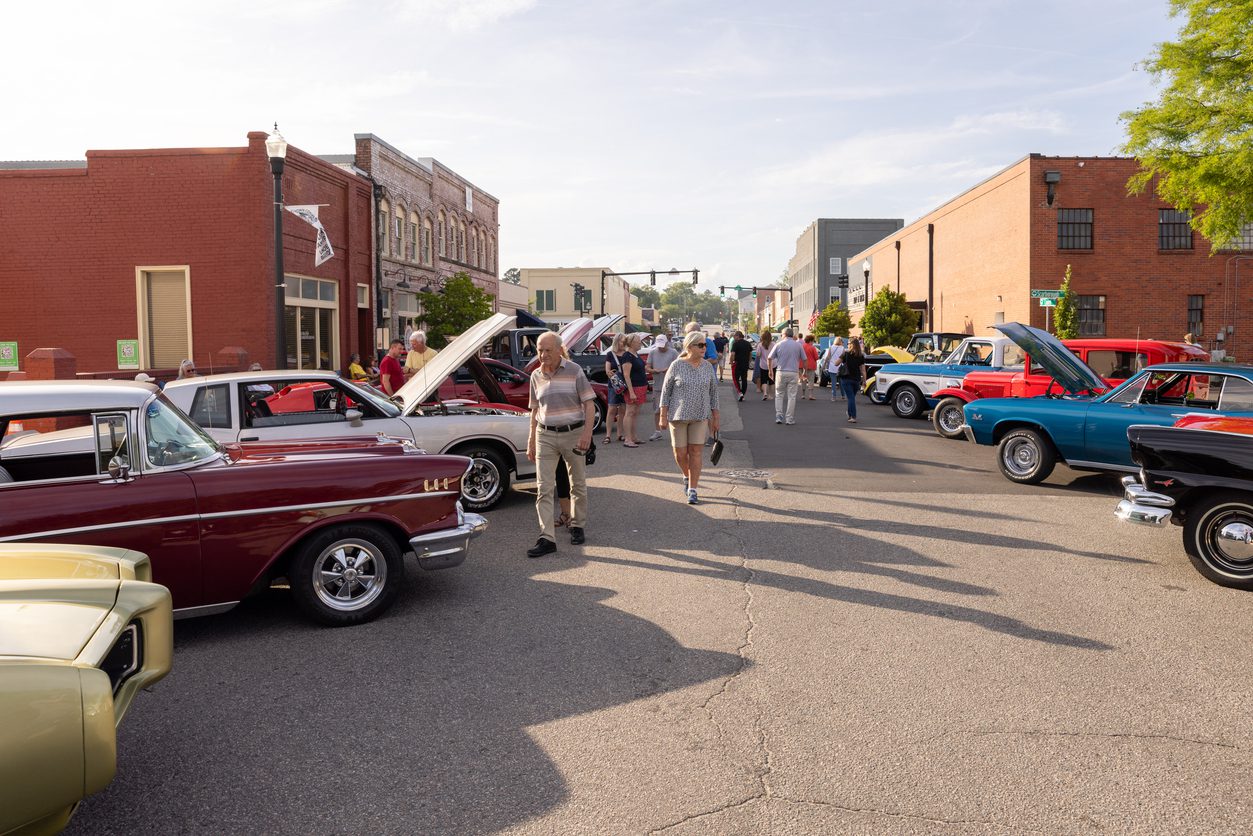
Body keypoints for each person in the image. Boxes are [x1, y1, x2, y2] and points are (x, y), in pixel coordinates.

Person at [527, 331, 596, 557]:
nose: (543, 354)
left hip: (573, 434)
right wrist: (531, 439)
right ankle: (547, 538)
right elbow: (535, 410)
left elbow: (589, 404)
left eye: (547, 350)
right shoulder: (535, 376)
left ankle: (577, 525)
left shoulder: (574, 371)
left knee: (578, 483)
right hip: (545, 434)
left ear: (559, 350)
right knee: (543, 488)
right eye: (539, 349)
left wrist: (587, 433)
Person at [659, 332, 720, 505]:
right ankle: (686, 475)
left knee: (696, 452)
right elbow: (665, 392)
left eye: (704, 345)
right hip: (678, 416)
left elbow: (714, 394)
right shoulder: (676, 365)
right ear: (689, 347)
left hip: (700, 416)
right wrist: (663, 416)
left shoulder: (707, 367)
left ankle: (693, 489)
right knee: (680, 454)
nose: (704, 348)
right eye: (700, 345)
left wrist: (715, 417)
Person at [768, 328, 805, 425]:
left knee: (779, 394)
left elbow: (769, 358)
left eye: (781, 334)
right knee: (792, 396)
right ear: (792, 335)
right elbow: (804, 359)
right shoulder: (798, 345)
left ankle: (779, 416)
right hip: (794, 372)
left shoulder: (779, 344)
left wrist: (770, 370)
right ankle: (789, 418)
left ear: (784, 334)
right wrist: (803, 371)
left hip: (781, 371)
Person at [646, 334, 679, 441]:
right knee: (657, 410)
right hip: (657, 385)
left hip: (672, 386)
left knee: (675, 409)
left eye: (662, 345)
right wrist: (653, 370)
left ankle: (677, 432)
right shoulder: (652, 352)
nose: (661, 347)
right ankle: (657, 431)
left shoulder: (673, 352)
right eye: (659, 345)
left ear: (666, 343)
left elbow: (679, 366)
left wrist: (669, 369)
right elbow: (647, 366)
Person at [620, 333, 648, 447]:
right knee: (630, 412)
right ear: (631, 343)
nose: (640, 343)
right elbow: (626, 375)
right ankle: (627, 439)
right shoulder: (627, 356)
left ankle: (633, 437)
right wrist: (631, 392)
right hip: (633, 388)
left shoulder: (635, 354)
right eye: (638, 341)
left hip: (641, 387)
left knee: (635, 413)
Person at [604, 332, 630, 444]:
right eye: (622, 341)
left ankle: (620, 434)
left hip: (626, 385)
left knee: (623, 410)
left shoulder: (627, 354)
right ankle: (608, 435)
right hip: (614, 386)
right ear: (617, 341)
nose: (623, 343)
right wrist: (611, 375)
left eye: (625, 341)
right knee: (612, 410)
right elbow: (607, 370)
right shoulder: (610, 354)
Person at [839, 338, 867, 423]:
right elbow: (863, 370)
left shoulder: (846, 354)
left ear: (851, 344)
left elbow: (836, 363)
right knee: (851, 397)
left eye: (848, 343)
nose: (847, 345)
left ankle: (853, 417)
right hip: (856, 380)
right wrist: (864, 381)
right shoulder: (861, 355)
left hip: (846, 379)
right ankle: (849, 413)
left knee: (851, 398)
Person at [729, 331, 753, 402]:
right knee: (744, 379)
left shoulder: (735, 344)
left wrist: (731, 362)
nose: (734, 337)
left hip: (737, 363)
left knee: (736, 379)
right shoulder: (748, 343)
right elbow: (750, 353)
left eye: (735, 336)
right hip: (745, 363)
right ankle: (742, 393)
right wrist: (749, 361)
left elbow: (733, 354)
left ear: (738, 336)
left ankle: (740, 393)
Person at [755, 331, 775, 400]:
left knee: (764, 380)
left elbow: (758, 354)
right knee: (771, 381)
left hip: (763, 365)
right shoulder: (773, 344)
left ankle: (765, 393)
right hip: (773, 364)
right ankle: (770, 395)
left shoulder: (760, 345)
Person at [801, 334, 820, 400]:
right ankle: (810, 395)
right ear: (811, 341)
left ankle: (803, 395)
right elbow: (816, 357)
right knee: (811, 380)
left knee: (803, 380)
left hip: (802, 365)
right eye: (813, 341)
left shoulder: (802, 346)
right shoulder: (812, 348)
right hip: (811, 365)